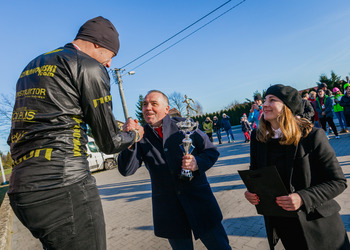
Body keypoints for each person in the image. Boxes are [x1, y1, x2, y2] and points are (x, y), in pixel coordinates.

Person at [7, 16, 144, 250]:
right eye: (111, 55)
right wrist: (134, 135)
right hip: (63, 185)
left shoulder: (33, 64)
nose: (109, 64)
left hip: (21, 190)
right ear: (98, 44)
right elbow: (109, 142)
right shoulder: (89, 66)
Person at [118, 90, 231, 250]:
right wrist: (128, 140)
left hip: (200, 204)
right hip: (169, 211)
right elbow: (126, 170)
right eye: (145, 104)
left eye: (153, 104)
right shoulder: (140, 135)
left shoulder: (184, 125)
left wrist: (197, 163)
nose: (147, 108)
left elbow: (211, 151)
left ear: (166, 108)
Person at [244, 84, 349, 250]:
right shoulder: (258, 141)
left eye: (272, 100)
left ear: (287, 107)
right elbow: (256, 176)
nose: (264, 104)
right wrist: (251, 192)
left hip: (320, 227)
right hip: (286, 228)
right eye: (264, 100)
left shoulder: (312, 136)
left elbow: (338, 181)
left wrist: (302, 198)